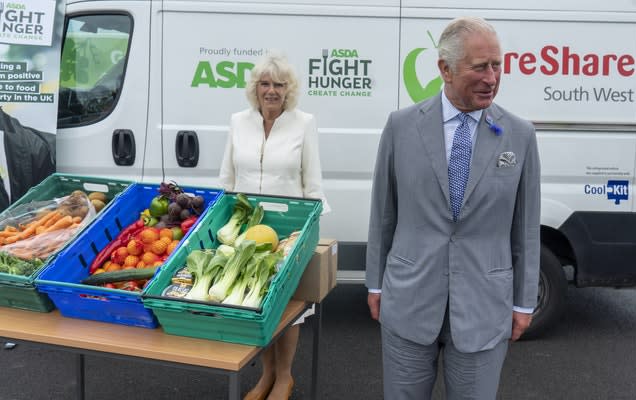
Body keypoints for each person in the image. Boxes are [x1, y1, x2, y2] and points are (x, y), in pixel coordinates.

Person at [366, 16, 541, 400]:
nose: (492, 78)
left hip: (484, 308)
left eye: (497, 65)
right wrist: (375, 282)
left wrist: (524, 301)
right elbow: (383, 212)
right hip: (408, 301)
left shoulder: (520, 135)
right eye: (480, 67)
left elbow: (526, 229)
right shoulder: (401, 126)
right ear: (444, 69)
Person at [219, 53, 330, 400]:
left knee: (288, 306)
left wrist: (308, 229)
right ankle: (266, 374)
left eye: (279, 84)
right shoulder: (238, 121)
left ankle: (285, 377)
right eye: (265, 84)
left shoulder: (304, 122)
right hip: (248, 230)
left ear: (288, 90)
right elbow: (228, 177)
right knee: (257, 303)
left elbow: (312, 182)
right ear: (256, 88)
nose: (272, 91)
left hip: (289, 229)